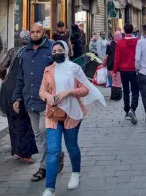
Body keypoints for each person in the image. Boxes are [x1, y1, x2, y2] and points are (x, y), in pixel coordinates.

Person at [39, 41, 106, 196]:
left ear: (66, 51)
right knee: (53, 150)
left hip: (72, 113)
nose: (57, 53)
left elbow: (85, 89)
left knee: (72, 146)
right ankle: (50, 188)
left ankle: (75, 172)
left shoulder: (74, 69)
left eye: (60, 50)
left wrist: (68, 92)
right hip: (53, 113)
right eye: (54, 51)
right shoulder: (48, 70)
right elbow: (41, 91)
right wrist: (48, 97)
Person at [12, 23, 64, 182]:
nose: (35, 34)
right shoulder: (24, 52)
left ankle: (46, 166)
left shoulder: (52, 48)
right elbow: (20, 77)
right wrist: (17, 97)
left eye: (38, 32)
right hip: (29, 100)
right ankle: (54, 157)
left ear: (43, 32)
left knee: (44, 130)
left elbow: (63, 71)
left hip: (46, 100)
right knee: (38, 135)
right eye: (32, 32)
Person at [0, 30, 37, 163]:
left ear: (19, 40)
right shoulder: (31, 52)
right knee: (25, 122)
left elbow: (1, 67)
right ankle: (25, 153)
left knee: (13, 122)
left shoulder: (13, 51)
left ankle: (17, 151)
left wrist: (5, 80)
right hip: (21, 91)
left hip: (8, 90)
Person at [113, 23, 139, 124]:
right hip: (134, 70)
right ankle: (133, 109)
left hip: (123, 70)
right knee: (135, 91)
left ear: (124, 30)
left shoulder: (119, 43)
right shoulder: (137, 41)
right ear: (132, 30)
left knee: (126, 91)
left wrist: (115, 70)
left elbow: (117, 58)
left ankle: (127, 110)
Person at [102, 31, 122, 101]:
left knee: (112, 81)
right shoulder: (120, 44)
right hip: (117, 65)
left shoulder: (109, 44)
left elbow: (106, 55)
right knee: (117, 81)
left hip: (110, 65)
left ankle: (113, 95)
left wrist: (103, 63)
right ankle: (117, 96)